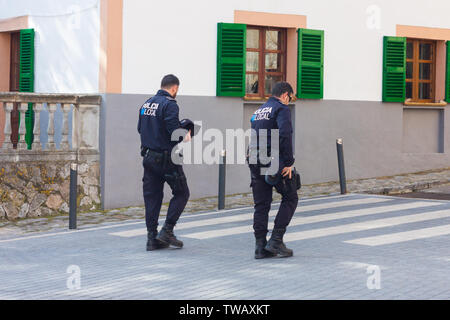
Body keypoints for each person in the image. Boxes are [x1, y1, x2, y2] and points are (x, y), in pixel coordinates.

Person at [137, 74, 191, 251]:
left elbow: (140, 129)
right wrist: (186, 132)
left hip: (148, 157)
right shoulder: (170, 104)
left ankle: (152, 239)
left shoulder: (146, 104)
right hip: (167, 158)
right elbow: (174, 133)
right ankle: (167, 230)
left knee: (152, 198)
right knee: (182, 193)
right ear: (174, 88)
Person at [248, 82, 299, 259]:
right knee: (291, 197)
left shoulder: (258, 111)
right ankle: (276, 240)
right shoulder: (281, 109)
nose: (290, 101)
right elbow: (285, 134)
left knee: (261, 204)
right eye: (291, 97)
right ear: (285, 95)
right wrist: (288, 162)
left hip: (255, 159)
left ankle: (260, 247)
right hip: (274, 160)